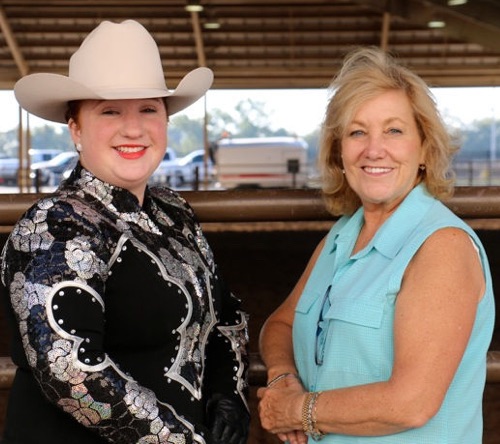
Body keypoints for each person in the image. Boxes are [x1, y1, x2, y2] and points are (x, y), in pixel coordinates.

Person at [0, 19, 250, 444]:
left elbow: (226, 314)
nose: (133, 128)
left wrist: (230, 393)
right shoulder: (54, 225)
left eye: (148, 109)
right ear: (75, 128)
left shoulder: (175, 212)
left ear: (165, 121)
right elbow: (69, 371)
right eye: (110, 111)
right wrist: (183, 440)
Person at [257, 46, 495, 444]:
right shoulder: (340, 238)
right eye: (357, 132)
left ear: (424, 149)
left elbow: (411, 403)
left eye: (394, 130)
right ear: (340, 152)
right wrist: (284, 378)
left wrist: (297, 411)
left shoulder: (442, 246)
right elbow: (279, 324)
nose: (373, 149)